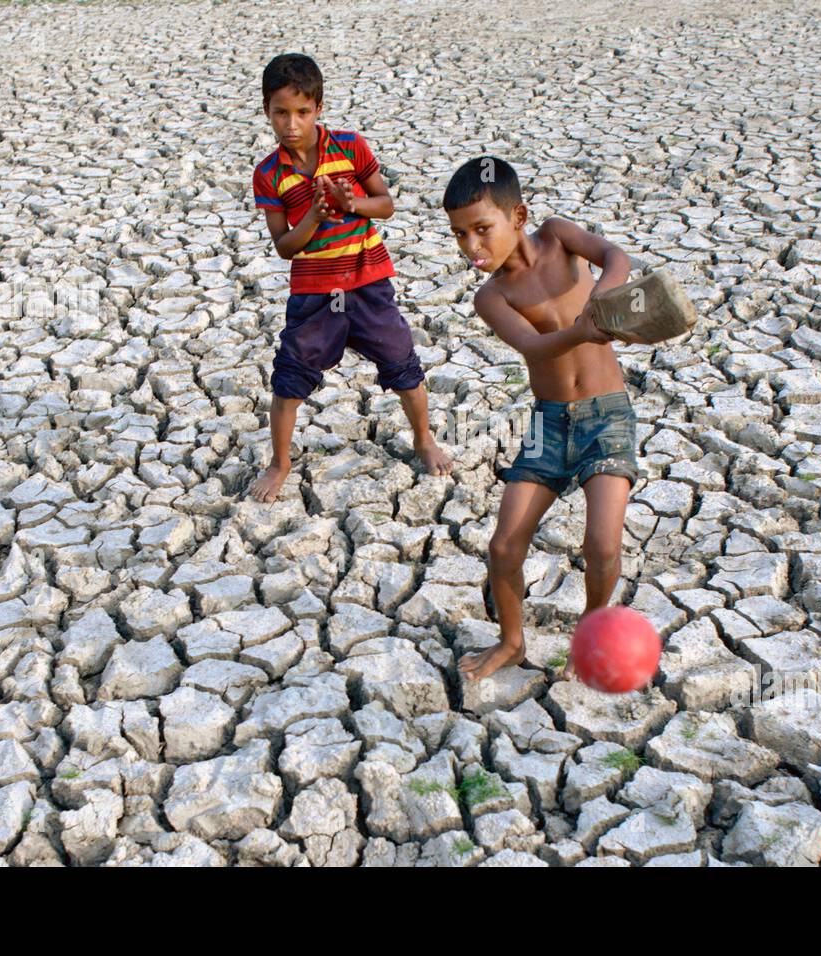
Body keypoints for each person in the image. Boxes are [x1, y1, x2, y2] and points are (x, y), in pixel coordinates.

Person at [443, 156, 642, 681]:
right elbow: (533, 344)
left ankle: (594, 634)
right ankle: (511, 641)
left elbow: (615, 256)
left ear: (519, 216)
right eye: (460, 235)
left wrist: (604, 297)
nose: (472, 247)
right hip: (549, 422)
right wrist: (584, 330)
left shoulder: (558, 237)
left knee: (601, 545)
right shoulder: (493, 297)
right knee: (505, 545)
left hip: (608, 416)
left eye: (482, 230)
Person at [249, 53, 451, 502]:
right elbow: (285, 246)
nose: (291, 124)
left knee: (403, 364)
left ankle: (423, 438)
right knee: (290, 377)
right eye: (280, 113)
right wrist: (316, 218)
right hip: (315, 295)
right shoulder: (268, 174)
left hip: (367, 284)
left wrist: (351, 204)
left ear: (318, 108)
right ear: (266, 111)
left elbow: (385, 203)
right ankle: (280, 462)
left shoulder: (349, 147)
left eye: (302, 112)